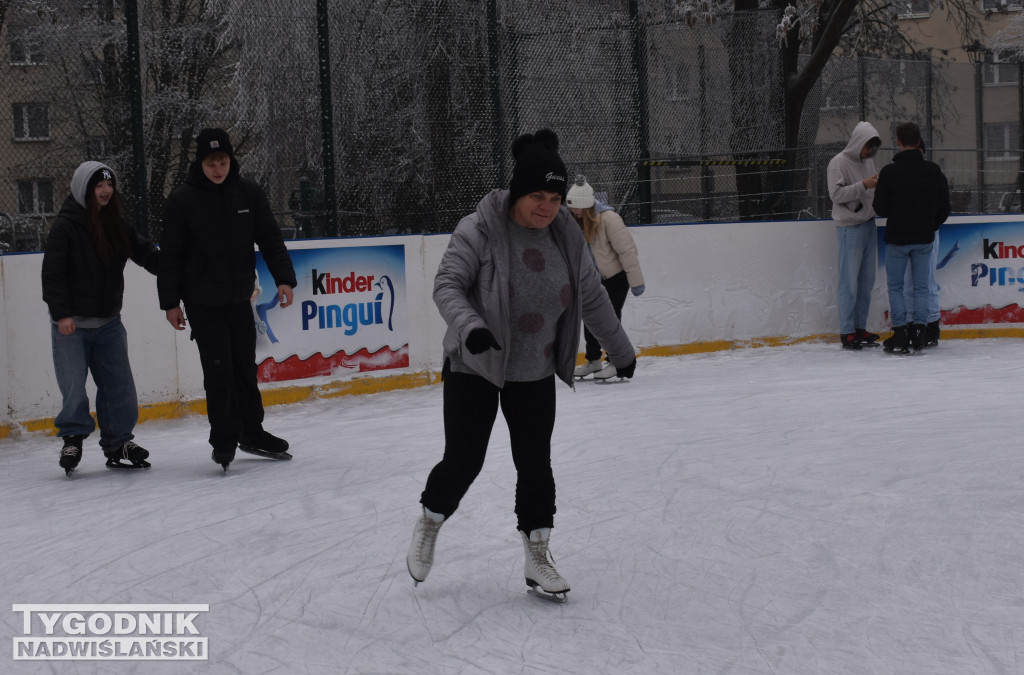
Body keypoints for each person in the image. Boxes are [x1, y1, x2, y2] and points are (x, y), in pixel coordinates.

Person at [406, 129, 637, 602]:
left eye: (555, 197)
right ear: (517, 191)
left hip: (533, 369)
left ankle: (537, 555)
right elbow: (447, 284)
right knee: (464, 461)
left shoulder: (568, 236)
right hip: (476, 363)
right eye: (538, 195)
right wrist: (470, 327)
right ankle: (431, 519)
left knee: (536, 465)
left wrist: (622, 349)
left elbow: (592, 297)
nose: (547, 206)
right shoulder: (480, 228)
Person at [158, 128, 297, 471]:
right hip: (203, 302)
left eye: (222, 161)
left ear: (230, 160)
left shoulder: (248, 194)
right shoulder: (182, 201)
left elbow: (269, 237)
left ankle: (252, 431)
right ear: (200, 163)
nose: (217, 168)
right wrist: (170, 302)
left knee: (244, 369)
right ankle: (223, 439)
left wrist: (284, 279)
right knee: (218, 371)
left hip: (238, 297)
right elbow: (171, 256)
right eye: (210, 162)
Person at [41, 161, 159, 476]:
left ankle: (119, 441)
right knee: (74, 388)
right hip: (72, 326)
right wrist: (62, 313)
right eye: (98, 186)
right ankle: (73, 438)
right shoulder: (66, 226)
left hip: (108, 323)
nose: (106, 191)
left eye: (109, 185)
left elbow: (144, 252)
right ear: (85, 189)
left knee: (119, 387)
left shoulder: (115, 223)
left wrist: (173, 266)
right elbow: (53, 274)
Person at [873, 122, 950, 354]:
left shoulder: (889, 172)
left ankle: (900, 332)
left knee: (896, 287)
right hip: (924, 238)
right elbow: (944, 208)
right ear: (919, 142)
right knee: (922, 287)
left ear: (898, 142)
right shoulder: (934, 171)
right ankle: (919, 332)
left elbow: (880, 208)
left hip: (897, 238)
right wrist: (929, 225)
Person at [566, 178, 645, 380]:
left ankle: (615, 362)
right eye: (572, 208)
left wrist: (636, 282)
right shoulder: (573, 222)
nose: (575, 212)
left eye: (579, 208)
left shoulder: (609, 219)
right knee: (590, 319)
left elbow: (627, 251)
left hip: (615, 278)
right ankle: (593, 361)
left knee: (610, 320)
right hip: (590, 280)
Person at [827, 121, 882, 350]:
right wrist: (863, 185)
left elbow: (870, 189)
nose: (869, 152)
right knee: (848, 282)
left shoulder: (868, 162)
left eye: (872, 147)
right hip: (849, 228)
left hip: (869, 225)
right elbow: (836, 194)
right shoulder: (838, 162)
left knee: (866, 281)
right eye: (867, 146)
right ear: (858, 142)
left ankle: (860, 327)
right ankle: (847, 331)